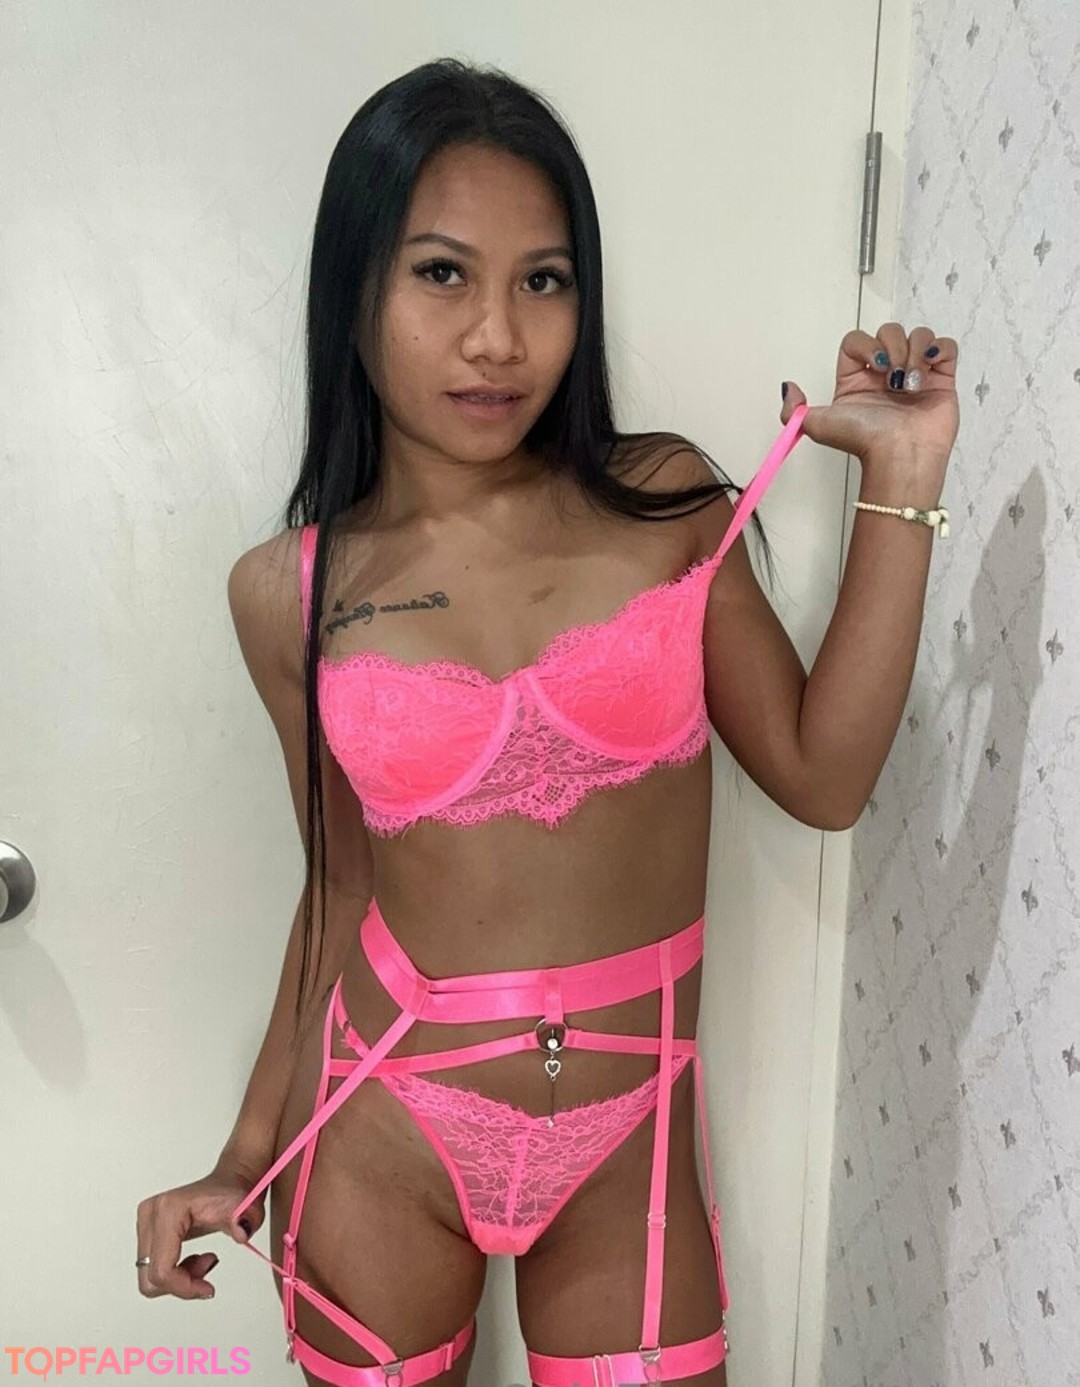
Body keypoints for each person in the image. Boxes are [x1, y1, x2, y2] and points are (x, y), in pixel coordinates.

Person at [135, 57, 959, 1387]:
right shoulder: (289, 592)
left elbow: (825, 777)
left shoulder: (667, 502)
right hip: (379, 1122)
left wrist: (903, 479)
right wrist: (243, 1156)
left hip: (632, 1131)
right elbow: (338, 889)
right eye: (442, 274)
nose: (498, 339)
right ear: (354, 289)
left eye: (544, 279)